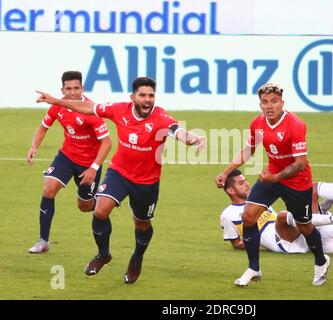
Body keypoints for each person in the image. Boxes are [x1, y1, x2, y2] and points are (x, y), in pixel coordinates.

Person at [36, 76, 205, 284]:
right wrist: (57, 101)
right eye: (142, 95)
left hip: (146, 181)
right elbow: (88, 107)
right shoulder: (119, 109)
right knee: (99, 210)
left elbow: (177, 131)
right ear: (132, 97)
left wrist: (192, 138)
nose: (147, 99)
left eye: (151, 95)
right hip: (119, 173)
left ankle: (137, 258)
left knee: (142, 224)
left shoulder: (161, 117)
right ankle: (103, 255)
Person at [215, 83, 330, 286]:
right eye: (265, 102)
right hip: (272, 178)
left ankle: (321, 261)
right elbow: (249, 149)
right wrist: (226, 172)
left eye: (274, 101)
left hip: (297, 182)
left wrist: (275, 178)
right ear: (260, 105)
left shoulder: (295, 125)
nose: (270, 106)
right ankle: (254, 268)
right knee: (248, 217)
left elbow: (300, 163)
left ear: (282, 103)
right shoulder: (258, 123)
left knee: (304, 227)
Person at [27, 71, 112, 254]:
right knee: (48, 188)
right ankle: (43, 241)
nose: (72, 92)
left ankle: (103, 203)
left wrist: (94, 168)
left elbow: (107, 142)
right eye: (68, 89)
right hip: (66, 157)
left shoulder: (91, 111)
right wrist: (33, 147)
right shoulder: (57, 107)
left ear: (83, 88)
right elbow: (43, 128)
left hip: (89, 164)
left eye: (76, 88)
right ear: (62, 89)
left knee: (85, 206)